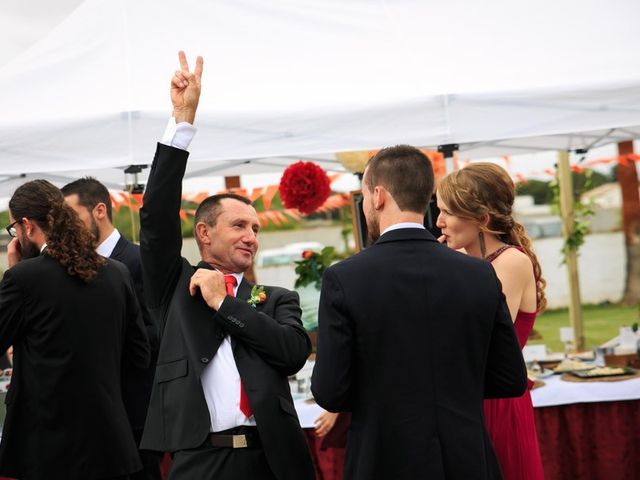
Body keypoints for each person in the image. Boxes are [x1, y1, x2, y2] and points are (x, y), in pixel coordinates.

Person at [138, 51, 314, 480]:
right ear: (204, 234)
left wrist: (226, 304)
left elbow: (292, 354)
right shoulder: (174, 286)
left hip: (272, 460)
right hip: (201, 460)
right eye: (239, 225)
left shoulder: (276, 299)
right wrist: (180, 125)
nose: (252, 236)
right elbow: (157, 219)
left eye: (255, 228)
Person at [311, 145, 528, 480]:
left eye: (366, 194)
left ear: (378, 195)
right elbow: (509, 378)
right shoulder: (479, 273)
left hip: (382, 460)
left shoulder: (345, 278)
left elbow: (330, 390)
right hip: (466, 457)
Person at [0, 180, 149, 480]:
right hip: (112, 445)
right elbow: (140, 357)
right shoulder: (117, 272)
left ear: (27, 226)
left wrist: (14, 271)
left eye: (13, 229)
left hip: (48, 450)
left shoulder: (24, 279)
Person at [436, 162, 547, 480]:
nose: (439, 222)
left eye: (447, 212)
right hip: (464, 402)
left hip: (495, 401)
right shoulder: (462, 263)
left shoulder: (510, 261)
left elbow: (477, 337)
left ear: (481, 219)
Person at [62, 177, 161, 480]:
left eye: (71, 218)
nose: (65, 229)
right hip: (89, 416)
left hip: (134, 413)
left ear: (99, 211)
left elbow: (156, 334)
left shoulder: (139, 260)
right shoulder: (68, 267)